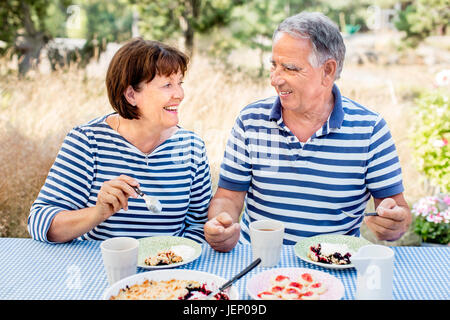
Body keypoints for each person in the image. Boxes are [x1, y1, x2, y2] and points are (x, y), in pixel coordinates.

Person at [204, 12, 412, 252]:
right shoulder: (250, 120)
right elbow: (228, 197)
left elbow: (398, 210)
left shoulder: (370, 129)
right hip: (258, 261)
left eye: (290, 68)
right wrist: (221, 224)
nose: (275, 80)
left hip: (332, 265)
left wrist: (394, 223)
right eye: (273, 65)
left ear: (328, 71)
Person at [28, 38, 212, 243]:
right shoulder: (88, 142)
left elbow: (199, 225)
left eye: (179, 83)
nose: (179, 94)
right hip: (102, 269)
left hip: (169, 272)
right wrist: (98, 212)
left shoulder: (191, 146)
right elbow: (39, 222)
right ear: (131, 95)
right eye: (167, 85)